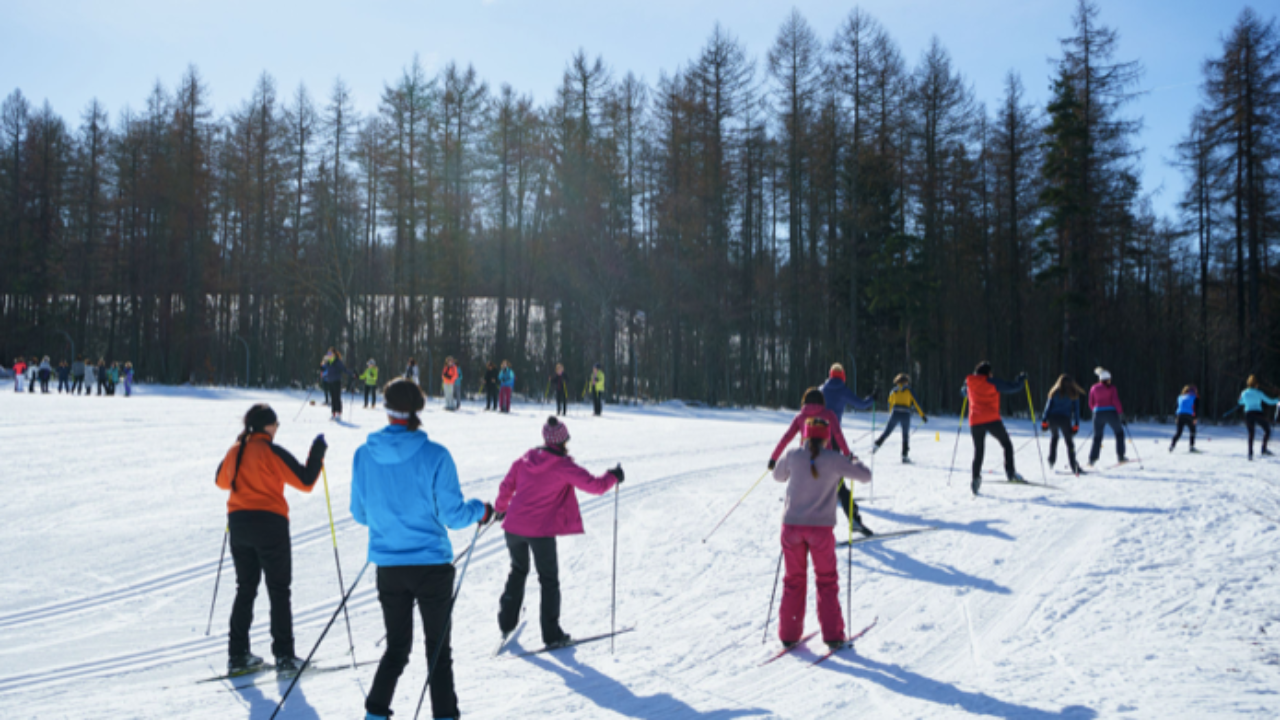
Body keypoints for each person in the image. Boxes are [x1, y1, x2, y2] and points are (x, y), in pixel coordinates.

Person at [351, 379, 495, 720]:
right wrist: (483, 510)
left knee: (397, 649)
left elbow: (360, 513)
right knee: (437, 653)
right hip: (431, 567)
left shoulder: (363, 454)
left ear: (386, 409)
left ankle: (374, 714)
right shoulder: (436, 455)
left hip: (389, 567)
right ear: (418, 410)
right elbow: (453, 515)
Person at [214, 403, 327, 677]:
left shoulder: (236, 451)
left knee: (246, 588)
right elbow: (305, 481)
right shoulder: (269, 451)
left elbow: (220, 481)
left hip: (239, 524)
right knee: (278, 590)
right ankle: (285, 656)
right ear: (267, 426)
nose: (277, 430)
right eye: (275, 425)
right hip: (270, 525)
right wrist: (317, 454)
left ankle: (237, 653)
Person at [494, 416, 622, 650]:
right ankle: (551, 634)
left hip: (513, 528)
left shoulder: (525, 459)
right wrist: (613, 476)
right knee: (548, 580)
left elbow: (506, 486)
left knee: (518, 570)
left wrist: (501, 509)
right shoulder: (563, 465)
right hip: (540, 532)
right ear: (563, 440)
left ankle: (506, 621)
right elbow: (594, 486)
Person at [772, 417, 871, 649]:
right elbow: (865, 476)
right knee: (826, 580)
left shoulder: (794, 454)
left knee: (793, 580)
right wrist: (854, 460)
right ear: (828, 437)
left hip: (791, 527)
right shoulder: (834, 460)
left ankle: (789, 633)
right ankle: (833, 634)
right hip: (820, 530)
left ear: (804, 435)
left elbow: (777, 475)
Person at [768, 388, 869, 536]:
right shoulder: (829, 415)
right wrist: (848, 455)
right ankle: (854, 521)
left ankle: (802, 531)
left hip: (804, 461)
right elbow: (838, 435)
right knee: (841, 490)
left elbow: (786, 437)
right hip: (828, 461)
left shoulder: (800, 416)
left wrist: (773, 459)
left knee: (804, 492)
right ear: (822, 401)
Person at [961, 361, 1028, 494]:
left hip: (975, 421)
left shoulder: (969, 383)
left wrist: (965, 387)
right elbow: (1012, 387)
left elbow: (963, 393)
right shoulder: (991, 382)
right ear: (988, 373)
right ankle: (1010, 473)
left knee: (978, 451)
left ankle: (975, 478)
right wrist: (1021, 379)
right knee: (1006, 444)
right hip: (991, 419)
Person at [875, 373, 926, 462]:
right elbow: (917, 404)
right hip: (905, 414)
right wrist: (923, 416)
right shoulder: (909, 390)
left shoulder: (893, 391)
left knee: (887, 431)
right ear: (906, 382)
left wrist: (891, 413)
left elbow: (890, 403)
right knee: (905, 435)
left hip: (895, 413)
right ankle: (904, 456)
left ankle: (876, 445)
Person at [1041, 374, 1084, 475]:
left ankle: (1051, 460)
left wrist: (1044, 420)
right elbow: (1076, 410)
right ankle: (1074, 466)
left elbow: (1048, 407)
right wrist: (1076, 424)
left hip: (1053, 419)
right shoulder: (1073, 393)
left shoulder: (1053, 391)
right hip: (1065, 420)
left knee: (1054, 437)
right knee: (1069, 443)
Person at [1087, 367, 1127, 467]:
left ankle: (1092, 459)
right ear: (1108, 379)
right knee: (1119, 433)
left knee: (1097, 437)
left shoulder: (1094, 388)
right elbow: (1115, 401)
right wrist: (1121, 414)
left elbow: (1091, 403)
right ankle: (1121, 456)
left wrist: (1095, 411)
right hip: (1111, 413)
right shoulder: (1112, 388)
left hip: (1097, 414)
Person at [1239, 376, 1278, 460]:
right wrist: (1277, 400)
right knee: (1267, 430)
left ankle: (1250, 453)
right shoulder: (1259, 392)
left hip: (1248, 414)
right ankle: (1263, 449)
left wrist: (1241, 400)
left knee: (1251, 433)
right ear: (1256, 384)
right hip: (1258, 413)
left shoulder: (1244, 392)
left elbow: (1240, 402)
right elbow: (1269, 401)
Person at [323, 350, 355, 420]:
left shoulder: (337, 361)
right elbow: (325, 369)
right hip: (330, 381)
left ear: (334, 354)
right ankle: (333, 413)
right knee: (332, 398)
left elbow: (344, 369)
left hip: (337, 381)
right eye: (328, 353)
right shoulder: (328, 362)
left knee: (337, 397)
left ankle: (338, 414)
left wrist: (352, 373)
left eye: (330, 353)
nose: (328, 355)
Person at [1169, 385, 1200, 453]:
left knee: (1178, 432)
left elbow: (1175, 407)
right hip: (1189, 415)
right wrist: (1195, 418)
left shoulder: (1180, 397)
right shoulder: (1195, 397)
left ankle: (1172, 446)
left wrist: (1176, 417)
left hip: (1180, 415)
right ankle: (1191, 447)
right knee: (1193, 431)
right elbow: (1196, 408)